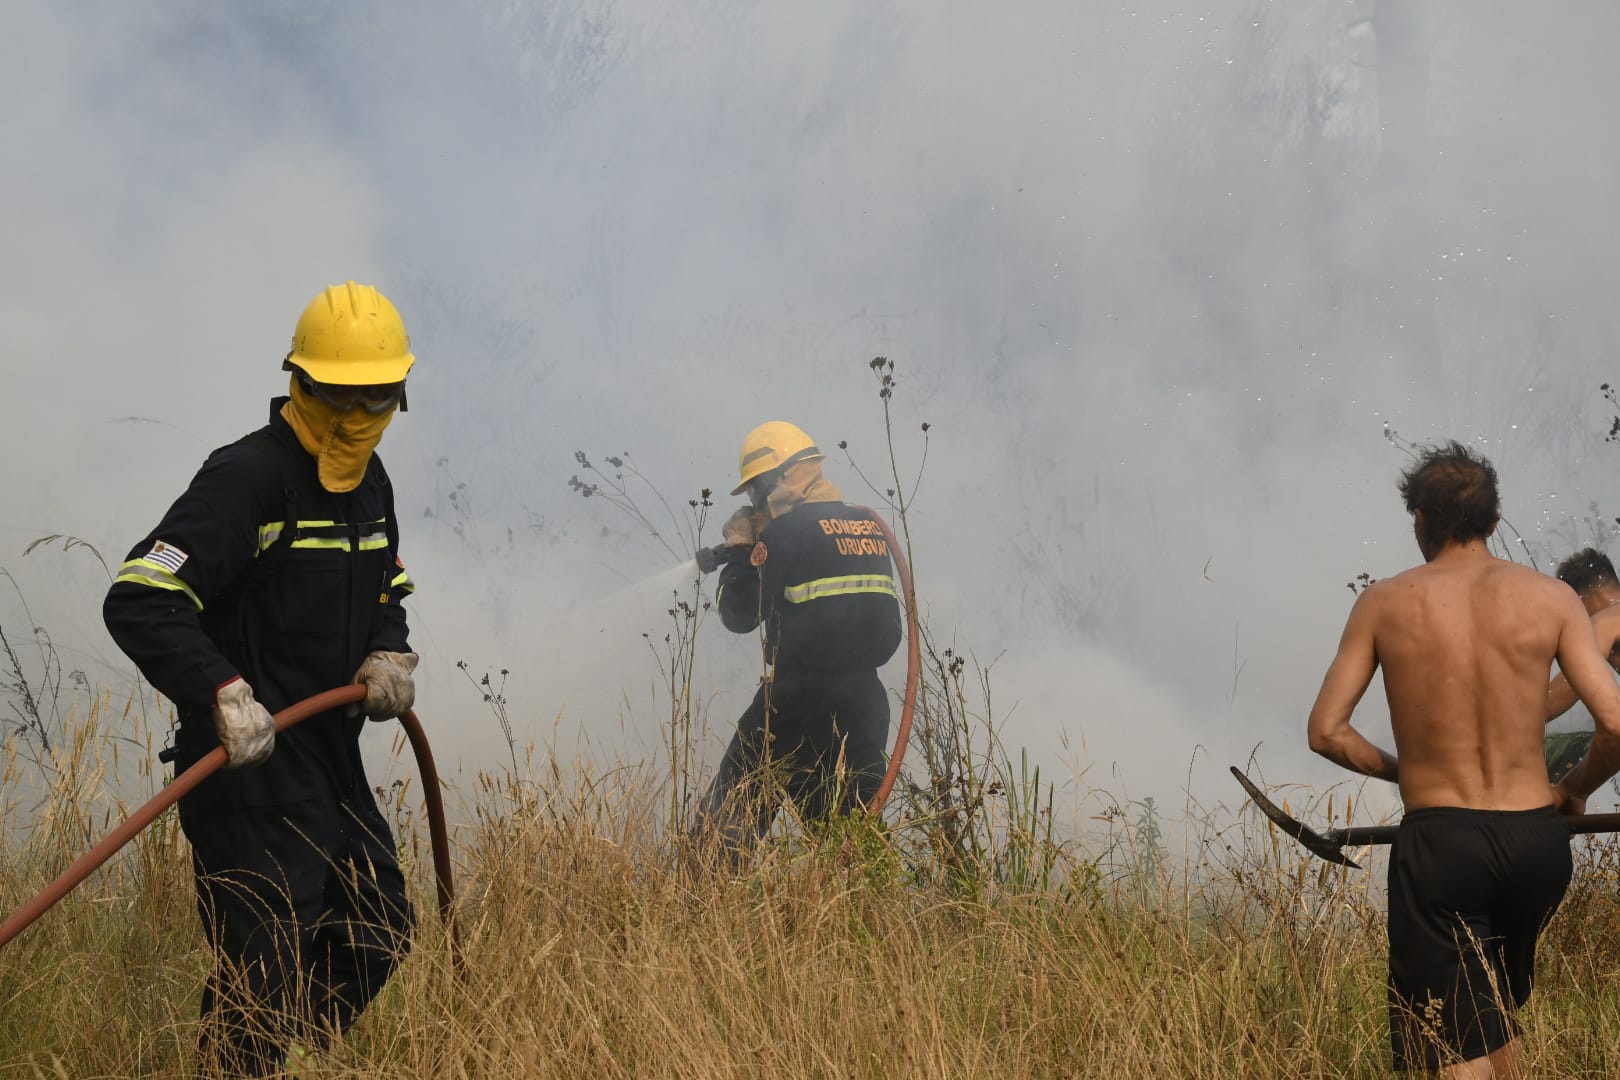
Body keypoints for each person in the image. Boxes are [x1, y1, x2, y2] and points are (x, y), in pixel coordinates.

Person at [103, 280, 421, 1075]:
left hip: (331, 762)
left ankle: (274, 1061)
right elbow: (141, 597)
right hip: (246, 771)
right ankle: (247, 1059)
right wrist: (219, 690)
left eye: (375, 399)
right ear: (300, 382)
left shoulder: (373, 483)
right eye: (340, 398)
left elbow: (389, 585)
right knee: (265, 972)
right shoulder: (245, 478)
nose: (356, 418)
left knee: (379, 929)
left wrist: (389, 648)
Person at [1306, 441, 1620, 1079]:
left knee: (1453, 1049)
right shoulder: (1553, 599)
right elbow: (1617, 721)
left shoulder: (1384, 602)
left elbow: (1327, 732)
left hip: (1443, 847)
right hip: (1536, 846)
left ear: (1420, 518)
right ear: (1493, 523)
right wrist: (1574, 787)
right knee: (1493, 1019)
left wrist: (1409, 770)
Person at [695, 420, 902, 856]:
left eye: (755, 493)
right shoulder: (865, 528)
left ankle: (698, 909)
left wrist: (737, 551)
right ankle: (868, 918)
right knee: (849, 845)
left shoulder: (785, 534)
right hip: (864, 704)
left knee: (723, 829)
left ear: (778, 481)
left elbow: (738, 613)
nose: (755, 504)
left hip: (794, 703)